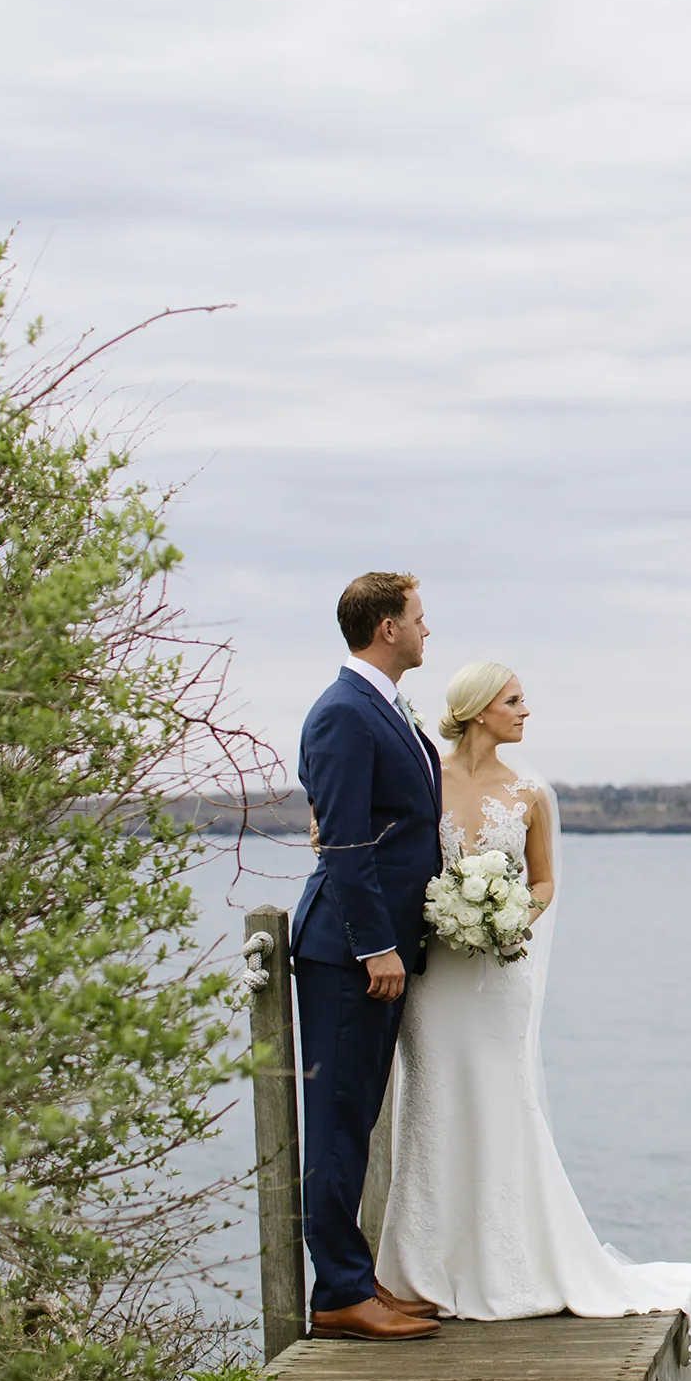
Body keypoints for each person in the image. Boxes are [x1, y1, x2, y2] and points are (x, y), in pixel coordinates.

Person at [374, 661, 691, 1339]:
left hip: (498, 977)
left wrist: (509, 918)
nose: (526, 711)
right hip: (435, 975)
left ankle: (509, 1262)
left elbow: (545, 882)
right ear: (479, 710)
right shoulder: (425, 779)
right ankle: (420, 1270)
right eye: (514, 700)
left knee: (502, 1100)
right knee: (432, 1104)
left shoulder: (531, 793)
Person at [290, 573, 445, 1341]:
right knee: (338, 1120)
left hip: (374, 946)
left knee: (357, 1113)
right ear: (387, 627)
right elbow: (345, 842)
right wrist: (376, 944)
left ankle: (355, 1275)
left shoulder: (380, 705)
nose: (426, 630)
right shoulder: (344, 712)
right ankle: (340, 1294)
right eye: (419, 618)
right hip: (347, 952)